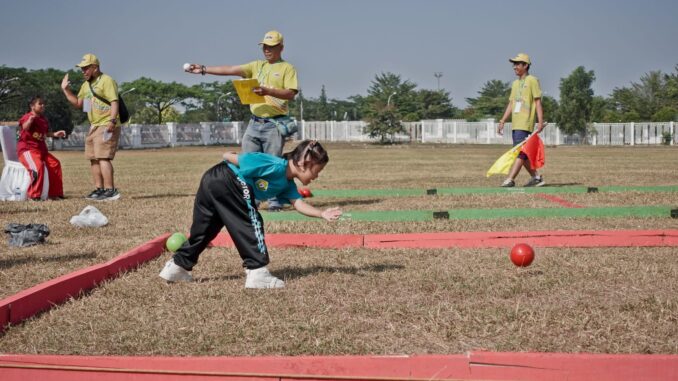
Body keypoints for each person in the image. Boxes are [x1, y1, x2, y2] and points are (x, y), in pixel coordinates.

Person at [159, 140, 341, 289]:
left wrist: (322, 213)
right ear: (304, 163)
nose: (317, 176)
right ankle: (257, 271)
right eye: (318, 170)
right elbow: (235, 159)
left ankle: (178, 266)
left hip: (212, 180)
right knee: (251, 221)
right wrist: (228, 155)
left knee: (206, 229)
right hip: (229, 177)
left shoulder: (288, 184)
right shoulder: (274, 164)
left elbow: (299, 204)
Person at [185, 30, 298, 211]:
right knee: (247, 162)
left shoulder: (287, 68)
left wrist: (269, 91)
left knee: (273, 164)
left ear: (281, 48)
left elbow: (291, 93)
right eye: (265, 47)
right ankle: (253, 199)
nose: (267, 50)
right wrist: (204, 69)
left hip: (274, 124)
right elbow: (230, 69)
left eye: (271, 47)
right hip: (254, 123)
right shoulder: (256, 66)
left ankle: (275, 200)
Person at [61, 53, 122, 201]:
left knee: (103, 157)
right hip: (94, 125)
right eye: (82, 69)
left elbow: (114, 101)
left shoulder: (106, 81)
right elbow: (79, 104)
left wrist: (112, 121)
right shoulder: (85, 85)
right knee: (93, 158)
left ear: (95, 67)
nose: (83, 71)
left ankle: (110, 190)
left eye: (86, 68)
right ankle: (99, 189)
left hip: (106, 123)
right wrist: (66, 90)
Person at [497, 53, 545, 187]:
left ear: (526, 66)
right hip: (516, 124)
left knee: (520, 152)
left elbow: (538, 102)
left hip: (525, 124)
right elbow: (512, 103)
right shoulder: (515, 84)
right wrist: (502, 120)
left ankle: (510, 179)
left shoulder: (532, 80)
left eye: (518, 64)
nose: (514, 67)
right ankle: (536, 177)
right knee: (523, 153)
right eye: (514, 64)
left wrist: (540, 121)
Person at [17, 96, 66, 200]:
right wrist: (30, 120)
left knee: (55, 164)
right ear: (32, 106)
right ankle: (34, 195)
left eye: (44, 104)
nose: (43, 105)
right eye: (40, 104)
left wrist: (55, 134)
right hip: (28, 150)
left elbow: (46, 133)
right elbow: (25, 127)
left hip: (41, 151)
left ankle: (54, 194)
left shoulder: (43, 119)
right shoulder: (27, 116)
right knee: (37, 167)